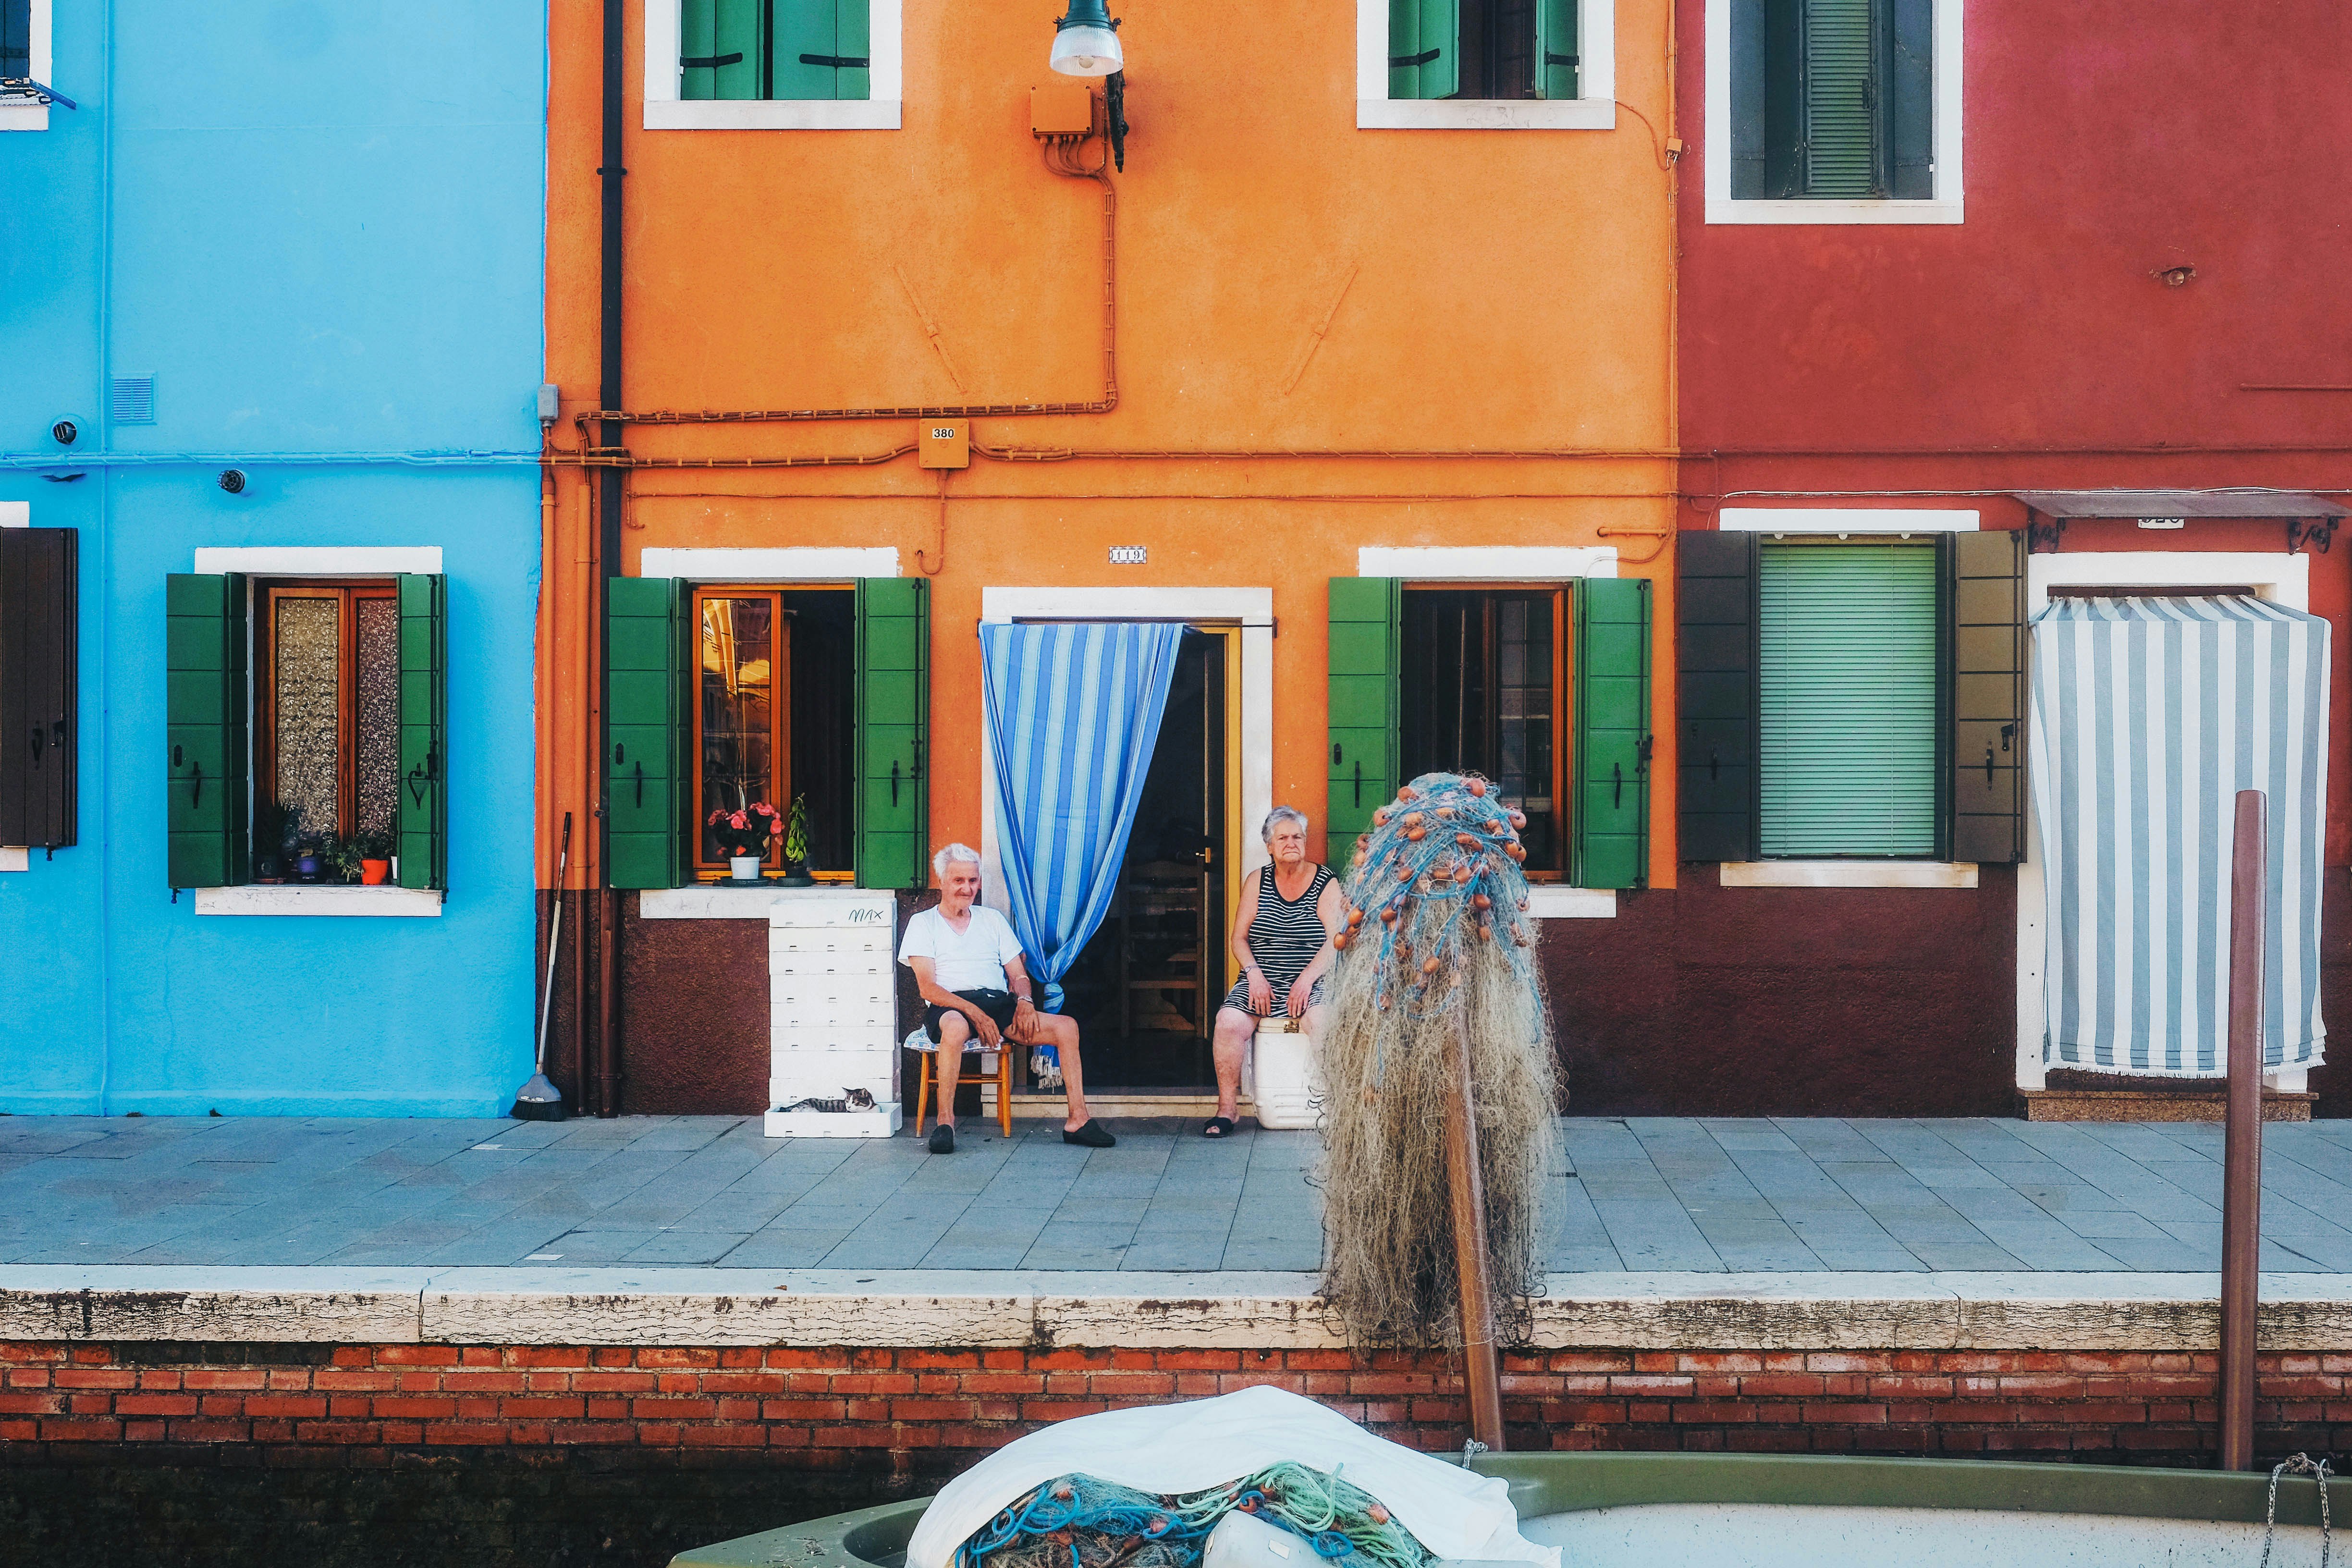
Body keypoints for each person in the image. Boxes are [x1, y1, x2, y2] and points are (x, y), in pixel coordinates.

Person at [899, 843, 1114, 1154]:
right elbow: (928, 989)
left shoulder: (993, 920)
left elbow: (1019, 975)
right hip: (950, 1006)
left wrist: (1025, 1002)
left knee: (1067, 1027)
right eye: (959, 881)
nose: (967, 888)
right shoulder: (924, 923)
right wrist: (974, 1013)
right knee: (957, 1027)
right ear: (942, 881)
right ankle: (945, 1123)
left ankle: (1078, 1119)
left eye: (973, 881)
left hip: (997, 1003)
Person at [1204, 807, 1345, 1138]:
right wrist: (1253, 974)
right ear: (1269, 846)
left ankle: (1338, 1107)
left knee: (1322, 1022)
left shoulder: (1325, 881)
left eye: (1297, 836)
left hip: (1314, 979)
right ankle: (1227, 1110)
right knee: (1228, 1023)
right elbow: (1238, 938)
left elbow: (1335, 940)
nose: (1291, 843)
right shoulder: (1258, 880)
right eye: (1282, 838)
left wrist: (1307, 980)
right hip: (1262, 979)